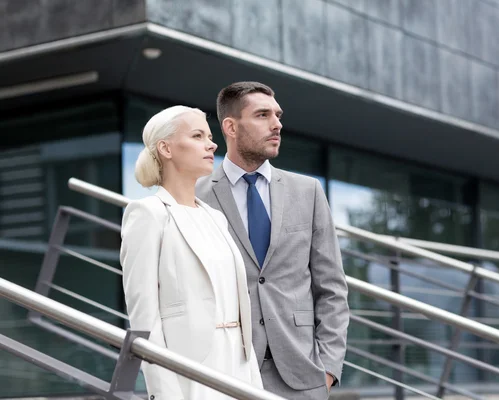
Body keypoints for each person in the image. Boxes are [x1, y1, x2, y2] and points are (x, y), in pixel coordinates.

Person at [196, 82, 349, 399]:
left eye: (277, 115)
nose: (277, 124)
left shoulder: (307, 191)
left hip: (302, 373)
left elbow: (332, 286)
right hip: (224, 371)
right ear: (231, 127)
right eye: (262, 115)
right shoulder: (196, 195)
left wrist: (329, 367)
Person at [120, 105, 262, 399]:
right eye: (198, 135)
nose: (212, 144)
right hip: (190, 371)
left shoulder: (215, 217)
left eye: (210, 136)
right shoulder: (147, 214)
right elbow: (144, 319)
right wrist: (165, 392)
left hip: (240, 364)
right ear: (166, 148)